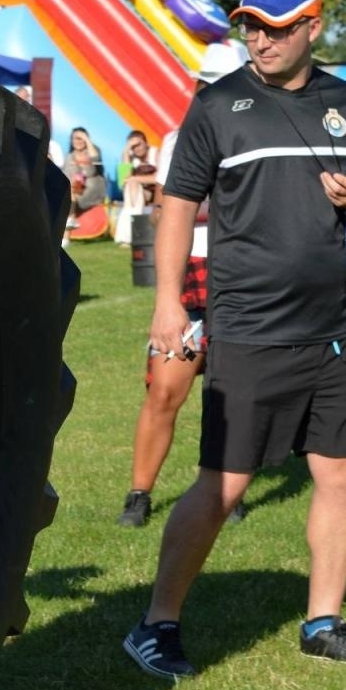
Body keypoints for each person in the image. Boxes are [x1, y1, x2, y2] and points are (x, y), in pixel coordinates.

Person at [122, 0, 346, 681]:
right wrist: (167, 302)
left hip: (336, 329)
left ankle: (324, 622)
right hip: (246, 326)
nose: (259, 38)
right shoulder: (218, 104)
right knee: (225, 485)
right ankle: (156, 624)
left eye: (275, 26)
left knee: (341, 476)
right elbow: (177, 203)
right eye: (250, 23)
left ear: (313, 26)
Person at [116, 43, 249, 529]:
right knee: (166, 391)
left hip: (243, 274)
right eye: (209, 83)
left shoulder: (257, 131)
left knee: (233, 393)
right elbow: (174, 210)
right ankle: (139, 494)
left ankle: (224, 491)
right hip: (193, 274)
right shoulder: (179, 138)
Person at [62, 127, 106, 219]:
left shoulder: (93, 151)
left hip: (92, 189)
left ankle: (69, 221)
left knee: (70, 199)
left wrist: (86, 139)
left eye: (81, 138)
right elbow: (65, 177)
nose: (78, 141)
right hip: (73, 191)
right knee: (68, 196)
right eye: (75, 138)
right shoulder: (69, 157)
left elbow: (95, 158)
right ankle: (69, 222)